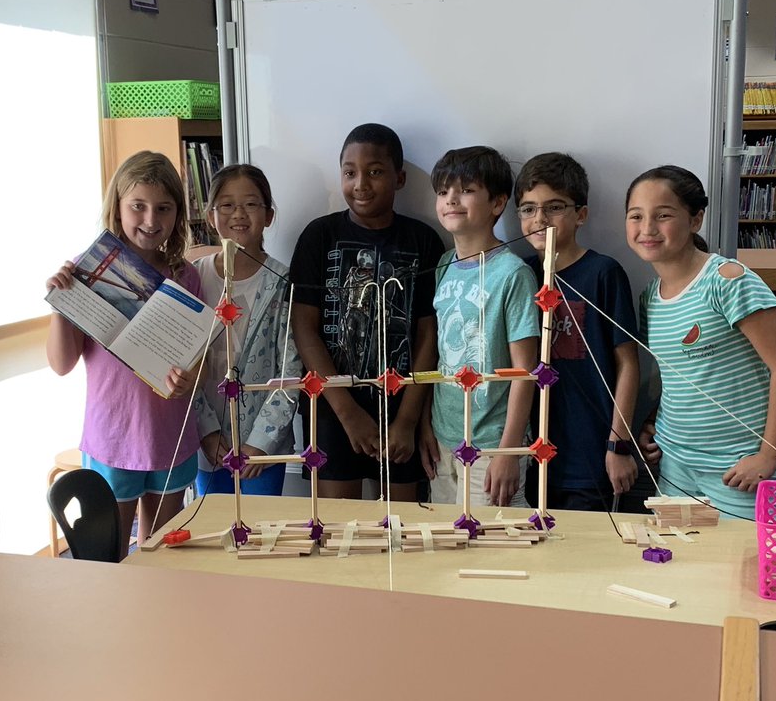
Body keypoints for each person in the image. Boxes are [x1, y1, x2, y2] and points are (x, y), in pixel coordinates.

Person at [46, 151, 201, 558]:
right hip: (113, 436)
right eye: (138, 206)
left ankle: (158, 622)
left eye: (163, 208)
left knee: (162, 555)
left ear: (177, 213)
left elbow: (197, 357)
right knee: (108, 555)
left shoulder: (186, 275)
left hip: (170, 435)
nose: (151, 221)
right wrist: (61, 304)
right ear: (116, 206)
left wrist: (189, 375)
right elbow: (61, 364)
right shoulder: (87, 268)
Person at [627, 165, 776, 519]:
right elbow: (678, 374)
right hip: (676, 463)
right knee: (683, 567)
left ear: (695, 219)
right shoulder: (650, 298)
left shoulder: (728, 281)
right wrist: (652, 422)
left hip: (739, 470)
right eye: (636, 216)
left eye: (663, 215)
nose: (647, 229)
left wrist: (769, 455)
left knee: (744, 571)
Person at [290, 123, 444, 500]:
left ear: (400, 177)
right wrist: (347, 414)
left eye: (375, 171)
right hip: (332, 408)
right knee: (338, 528)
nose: (361, 183)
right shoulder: (318, 236)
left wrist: (407, 420)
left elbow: (428, 335)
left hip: (400, 408)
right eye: (349, 172)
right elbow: (304, 329)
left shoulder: (423, 240)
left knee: (398, 529)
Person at [515, 152, 639, 511]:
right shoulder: (519, 275)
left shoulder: (603, 272)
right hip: (532, 456)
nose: (539, 219)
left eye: (554, 207)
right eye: (527, 208)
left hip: (591, 454)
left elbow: (628, 365)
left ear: (580, 214)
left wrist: (618, 445)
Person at [421, 146, 539, 508]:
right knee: (443, 539)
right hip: (444, 439)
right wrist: (426, 426)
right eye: (443, 192)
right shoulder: (444, 264)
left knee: (489, 547)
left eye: (466, 190)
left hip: (492, 443)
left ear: (497, 203)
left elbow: (525, 372)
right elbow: (440, 351)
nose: (452, 199)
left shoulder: (513, 273)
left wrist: (508, 452)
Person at [192, 164, 301, 495]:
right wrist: (207, 431)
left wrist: (261, 443)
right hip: (207, 444)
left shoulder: (284, 283)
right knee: (210, 528)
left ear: (268, 215)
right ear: (211, 216)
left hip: (263, 453)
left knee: (260, 534)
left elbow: (291, 370)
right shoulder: (193, 279)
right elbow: (183, 363)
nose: (239, 213)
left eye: (251, 204)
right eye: (226, 205)